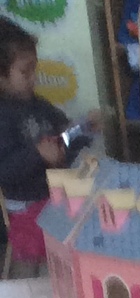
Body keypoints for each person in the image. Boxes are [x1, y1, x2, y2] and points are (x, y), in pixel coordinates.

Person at [0, 16, 95, 277]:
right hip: (27, 208)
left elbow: (64, 138)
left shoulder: (39, 105)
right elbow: (5, 171)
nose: (34, 78)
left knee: (89, 217)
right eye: (25, 71)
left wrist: (84, 128)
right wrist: (37, 154)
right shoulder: (3, 117)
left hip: (54, 197)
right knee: (62, 239)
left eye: (34, 69)